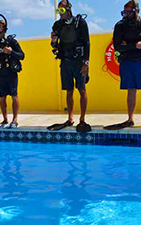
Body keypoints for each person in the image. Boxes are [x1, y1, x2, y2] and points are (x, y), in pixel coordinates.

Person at [48, 0, 91, 133]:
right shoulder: (57, 25)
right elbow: (54, 45)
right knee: (69, 91)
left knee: (82, 89)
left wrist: (86, 62)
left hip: (79, 61)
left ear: (69, 9)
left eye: (62, 10)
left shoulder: (80, 23)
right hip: (65, 62)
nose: (60, 13)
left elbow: (87, 43)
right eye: (58, 11)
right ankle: (70, 118)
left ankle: (82, 119)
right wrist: (54, 41)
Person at [104, 0, 141, 130]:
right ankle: (130, 118)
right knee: (131, 90)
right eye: (124, 12)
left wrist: (127, 45)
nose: (125, 14)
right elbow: (118, 46)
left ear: (136, 10)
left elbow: (123, 45)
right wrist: (135, 45)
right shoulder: (120, 25)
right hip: (127, 61)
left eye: (128, 12)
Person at [0, 15, 25, 130]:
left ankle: (15, 119)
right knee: (2, 97)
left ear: (5, 30)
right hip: (0, 73)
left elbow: (22, 56)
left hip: (11, 72)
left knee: (14, 95)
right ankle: (5, 119)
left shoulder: (11, 41)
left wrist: (11, 52)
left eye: (0, 28)